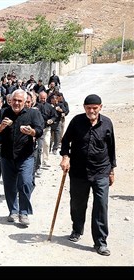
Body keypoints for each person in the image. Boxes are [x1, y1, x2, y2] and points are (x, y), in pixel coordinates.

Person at [59, 94, 116, 256]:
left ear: (100, 107)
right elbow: (65, 142)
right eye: (89, 108)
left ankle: (100, 242)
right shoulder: (76, 122)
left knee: (101, 206)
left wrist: (112, 170)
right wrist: (65, 156)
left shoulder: (107, 123)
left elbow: (111, 148)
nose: (92, 111)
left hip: (101, 171)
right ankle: (77, 229)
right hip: (78, 171)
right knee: (77, 204)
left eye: (95, 108)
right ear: (84, 108)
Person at [0, 89, 43, 226]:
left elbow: (39, 130)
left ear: (26, 102)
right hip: (7, 156)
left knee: (26, 183)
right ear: (10, 100)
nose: (17, 103)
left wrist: (31, 132)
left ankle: (24, 212)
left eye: (20, 101)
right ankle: (13, 211)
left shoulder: (33, 113)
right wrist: (2, 126)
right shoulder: (4, 112)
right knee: (9, 186)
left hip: (25, 156)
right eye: (14, 100)